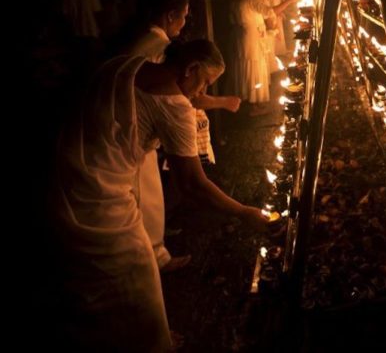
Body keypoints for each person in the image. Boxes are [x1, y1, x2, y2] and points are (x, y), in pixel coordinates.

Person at [53, 40, 271, 351]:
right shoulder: (174, 105)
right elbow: (193, 185)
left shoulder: (123, 63)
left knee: (86, 279)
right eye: (205, 82)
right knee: (136, 270)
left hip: (60, 176)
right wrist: (243, 211)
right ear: (190, 68)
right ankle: (150, 341)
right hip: (99, 198)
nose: (200, 92)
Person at [127, 0, 241, 272]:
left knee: (150, 198)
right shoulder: (158, 56)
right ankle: (146, 259)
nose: (185, 21)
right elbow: (193, 183)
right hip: (124, 151)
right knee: (135, 204)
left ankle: (155, 252)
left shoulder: (146, 51)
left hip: (132, 142)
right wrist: (246, 213)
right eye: (184, 14)